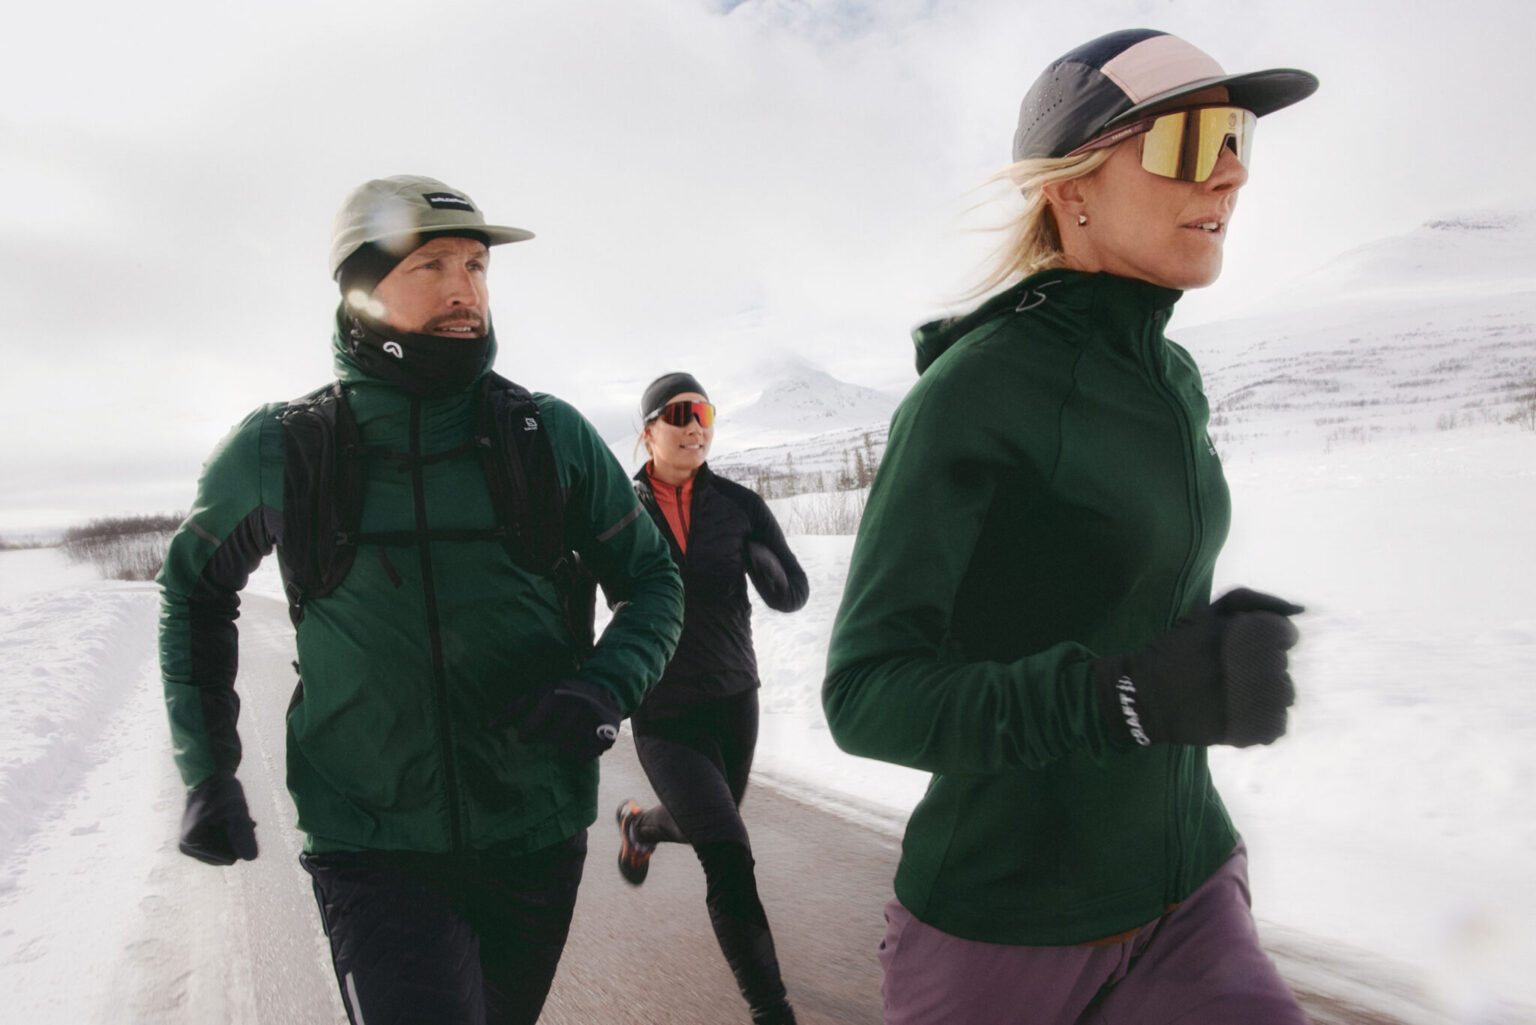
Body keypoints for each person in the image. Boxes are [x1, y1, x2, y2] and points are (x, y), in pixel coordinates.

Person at [822, 29, 1318, 1025]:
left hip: (1189, 886)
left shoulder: (1170, 377)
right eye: (1188, 142)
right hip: (1005, 934)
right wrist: (1123, 696)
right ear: (1072, 186)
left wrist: (1209, 650)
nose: (1229, 174)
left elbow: (1102, 595)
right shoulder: (972, 394)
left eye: (1236, 137)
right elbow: (865, 694)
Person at [157, 174, 684, 1025]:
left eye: (475, 265)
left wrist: (607, 683)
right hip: (370, 842)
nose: (463, 289)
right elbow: (194, 591)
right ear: (360, 288)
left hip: (536, 831)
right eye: (431, 264)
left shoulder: (546, 434)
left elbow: (654, 580)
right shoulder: (285, 446)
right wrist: (207, 769)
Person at [614, 372, 809, 1025]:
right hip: (663, 709)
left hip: (734, 700)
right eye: (679, 414)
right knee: (727, 850)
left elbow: (794, 592)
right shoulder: (618, 510)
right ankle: (771, 1010)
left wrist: (768, 568)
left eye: (703, 412)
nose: (695, 425)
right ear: (648, 430)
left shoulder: (739, 504)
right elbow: (574, 587)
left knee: (706, 822)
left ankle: (641, 827)